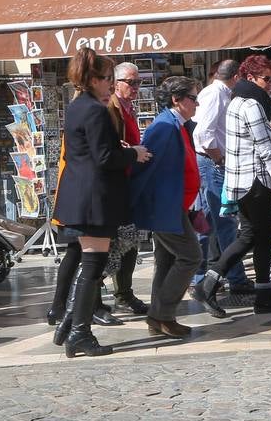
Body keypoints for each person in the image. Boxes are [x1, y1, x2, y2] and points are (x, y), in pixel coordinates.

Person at [52, 47, 151, 358]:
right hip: (94, 198)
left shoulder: (78, 106)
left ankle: (72, 322)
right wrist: (133, 152)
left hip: (82, 194)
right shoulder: (95, 109)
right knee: (92, 267)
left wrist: (115, 145)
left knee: (90, 265)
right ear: (93, 79)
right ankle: (78, 331)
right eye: (108, 78)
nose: (111, 84)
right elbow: (105, 157)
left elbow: (92, 147)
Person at [193, 55, 271, 317]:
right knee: (250, 235)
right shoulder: (251, 105)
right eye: (267, 79)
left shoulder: (237, 102)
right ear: (251, 78)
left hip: (243, 180)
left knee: (263, 235)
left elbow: (252, 140)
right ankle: (208, 283)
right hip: (254, 182)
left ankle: (264, 293)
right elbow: (264, 149)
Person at [129, 76, 204, 339]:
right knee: (191, 256)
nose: (197, 104)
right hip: (164, 207)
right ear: (176, 99)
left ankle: (161, 317)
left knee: (166, 260)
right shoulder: (165, 127)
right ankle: (161, 314)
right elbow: (147, 169)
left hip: (173, 205)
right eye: (193, 98)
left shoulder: (177, 124)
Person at [190, 59, 254, 294]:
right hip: (211, 163)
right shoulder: (216, 94)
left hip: (211, 162)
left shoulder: (221, 93)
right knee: (224, 221)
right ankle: (233, 278)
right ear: (236, 76)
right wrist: (220, 159)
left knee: (208, 221)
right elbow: (204, 133)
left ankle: (201, 276)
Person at [106, 61, 146, 318]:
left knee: (129, 242)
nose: (135, 87)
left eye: (138, 82)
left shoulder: (127, 109)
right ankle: (114, 294)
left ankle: (125, 292)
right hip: (115, 185)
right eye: (130, 82)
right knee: (114, 244)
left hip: (128, 182)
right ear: (116, 83)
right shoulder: (112, 109)